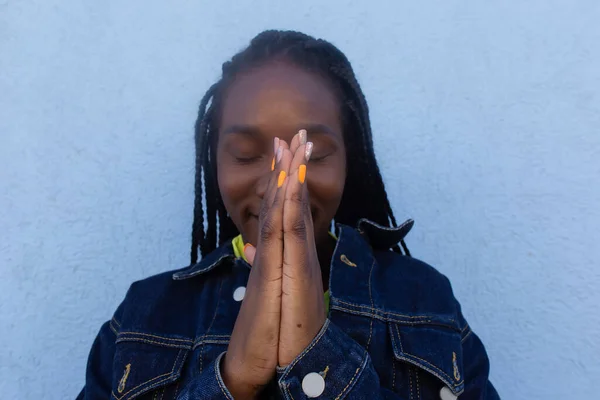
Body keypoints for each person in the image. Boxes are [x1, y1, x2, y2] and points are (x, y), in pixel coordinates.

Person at [77, 30, 499, 400]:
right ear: (215, 162)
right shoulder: (142, 316)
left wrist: (315, 356)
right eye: (245, 155)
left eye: (309, 153)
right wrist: (234, 378)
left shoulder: (427, 301)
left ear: (349, 162)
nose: (282, 182)